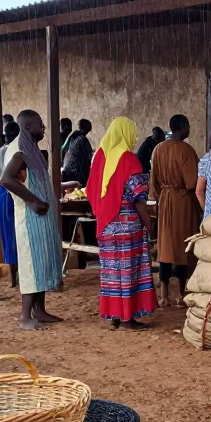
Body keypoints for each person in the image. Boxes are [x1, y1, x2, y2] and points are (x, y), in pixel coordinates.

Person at [87, 117, 157, 329]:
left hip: (106, 227)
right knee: (129, 271)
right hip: (128, 228)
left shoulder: (99, 157)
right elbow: (139, 198)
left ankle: (115, 316)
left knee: (111, 271)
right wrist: (149, 223)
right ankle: (128, 318)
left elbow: (90, 190)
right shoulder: (128, 159)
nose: (135, 137)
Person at [1, 110, 64, 328]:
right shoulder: (19, 150)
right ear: (28, 127)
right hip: (29, 218)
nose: (44, 128)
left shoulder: (30, 148)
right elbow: (6, 180)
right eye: (40, 125)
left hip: (40, 217)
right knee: (31, 263)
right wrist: (32, 201)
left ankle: (40, 311)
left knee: (42, 261)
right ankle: (25, 316)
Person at [149, 114, 200, 308]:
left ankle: (163, 295)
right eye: (188, 126)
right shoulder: (186, 151)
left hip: (165, 200)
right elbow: (192, 182)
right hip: (182, 201)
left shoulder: (157, 149)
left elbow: (152, 179)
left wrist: (156, 198)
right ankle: (180, 293)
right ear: (181, 127)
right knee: (182, 246)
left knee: (165, 247)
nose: (190, 129)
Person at [0, 119, 21, 287]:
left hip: (3, 194)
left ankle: (13, 277)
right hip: (14, 193)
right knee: (17, 235)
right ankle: (16, 275)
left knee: (8, 235)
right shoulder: (16, 151)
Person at [62, 118, 93, 185]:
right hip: (76, 173)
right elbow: (88, 158)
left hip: (69, 171)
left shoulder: (75, 138)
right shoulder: (82, 140)